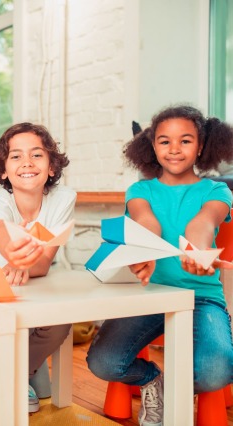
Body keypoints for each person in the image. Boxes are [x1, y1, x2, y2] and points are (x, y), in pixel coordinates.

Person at [86, 105, 233, 426]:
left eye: (185, 140)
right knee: (104, 363)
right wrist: (144, 251)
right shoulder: (140, 190)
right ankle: (154, 380)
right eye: (164, 141)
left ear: (202, 145)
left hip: (201, 299)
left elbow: (204, 222)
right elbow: (146, 221)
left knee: (215, 372)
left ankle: (173, 391)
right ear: (152, 146)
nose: (175, 149)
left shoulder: (216, 190)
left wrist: (197, 250)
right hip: (148, 295)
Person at [0, 122, 75, 413]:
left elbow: (44, 262)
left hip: (29, 282)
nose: (27, 163)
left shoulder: (63, 199)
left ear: (52, 167)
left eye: (37, 155)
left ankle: (13, 376)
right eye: (16, 156)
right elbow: (2, 236)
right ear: (4, 171)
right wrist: (14, 253)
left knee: (61, 321)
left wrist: (25, 265)